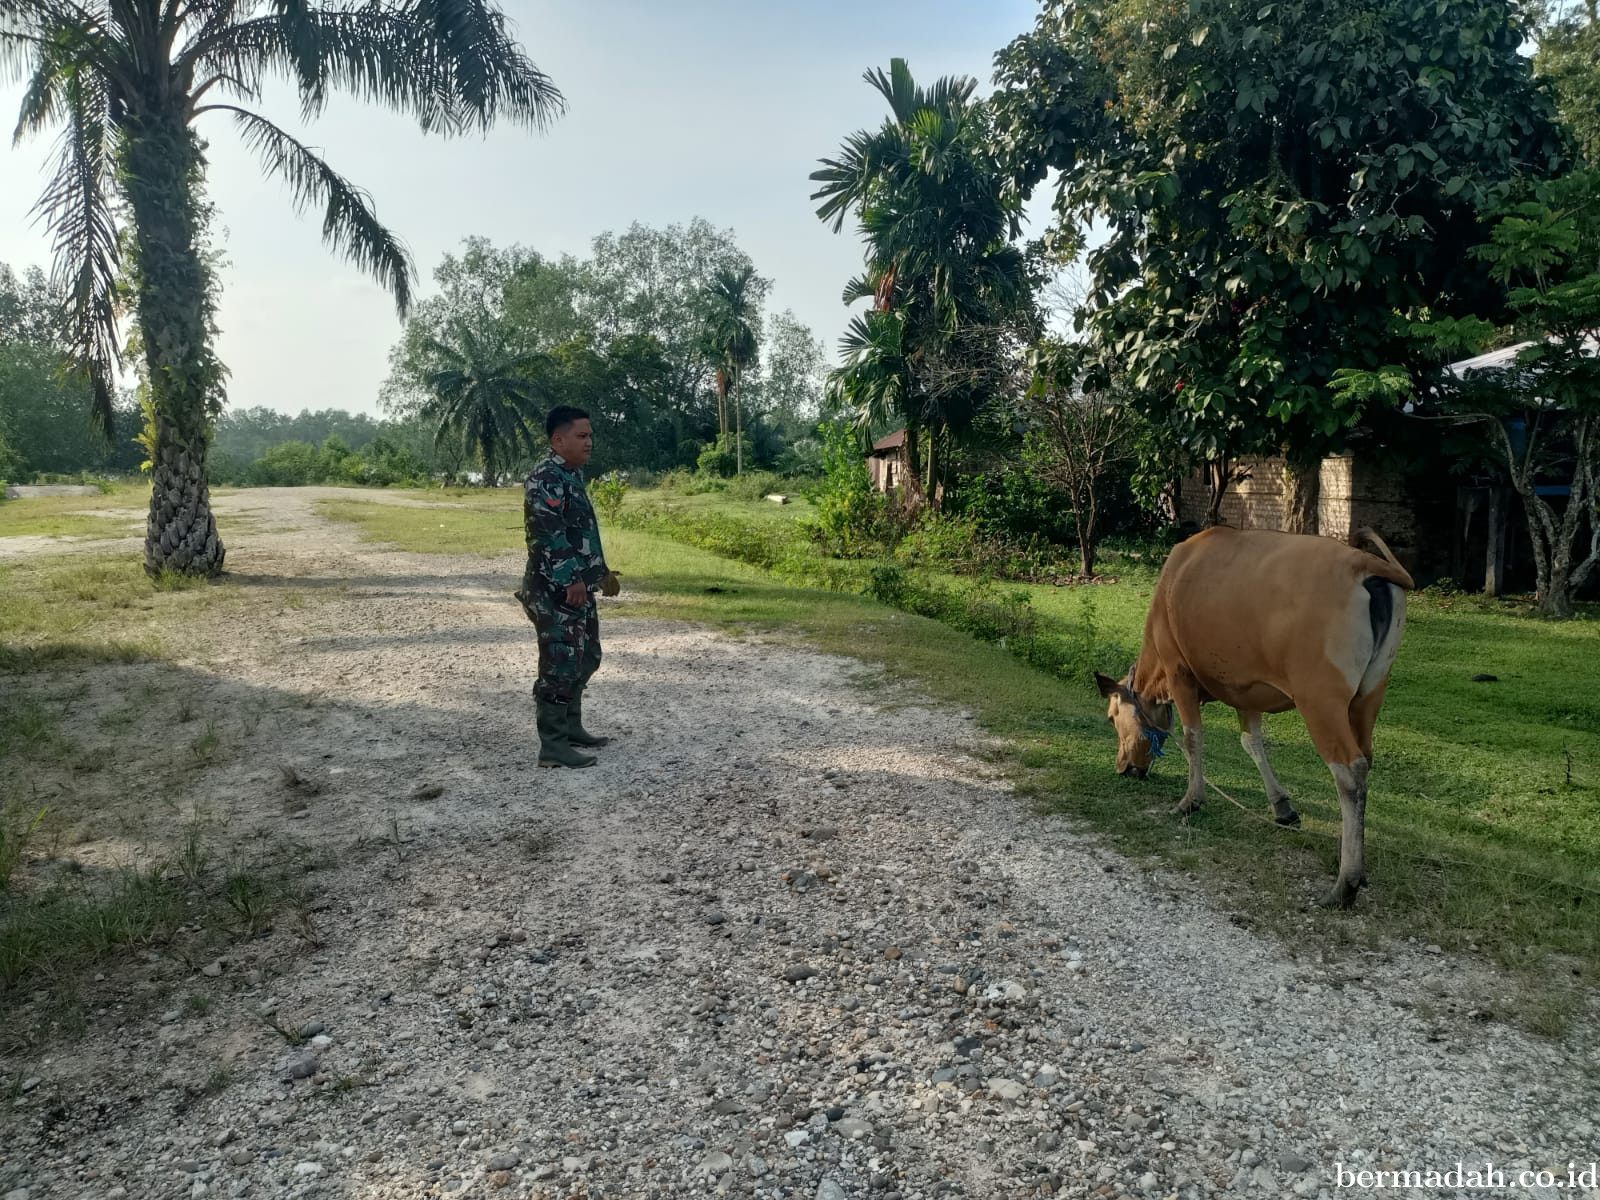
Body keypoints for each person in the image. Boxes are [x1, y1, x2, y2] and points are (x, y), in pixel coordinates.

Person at [515, 406, 621, 768]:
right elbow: (546, 535)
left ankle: (572, 727)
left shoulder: (570, 475)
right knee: (560, 664)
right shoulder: (545, 477)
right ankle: (553, 745)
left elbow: (579, 534)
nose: (589, 442)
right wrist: (570, 580)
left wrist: (600, 573)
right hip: (554, 591)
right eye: (581, 436)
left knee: (586, 656)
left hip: (578, 586)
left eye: (590, 435)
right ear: (558, 440)